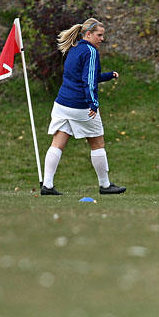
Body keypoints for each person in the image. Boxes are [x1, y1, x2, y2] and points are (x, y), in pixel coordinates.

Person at [41, 18, 125, 196]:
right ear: (88, 34)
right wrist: (93, 103)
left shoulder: (75, 48)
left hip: (62, 104)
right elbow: (88, 81)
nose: (102, 39)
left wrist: (108, 75)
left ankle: (47, 185)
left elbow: (84, 76)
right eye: (99, 35)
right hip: (80, 106)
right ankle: (105, 185)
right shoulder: (91, 51)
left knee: (57, 143)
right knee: (98, 143)